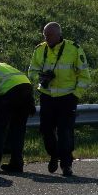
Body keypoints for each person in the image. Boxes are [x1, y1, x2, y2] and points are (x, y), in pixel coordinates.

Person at [28, 22, 91, 177]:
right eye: (44, 35)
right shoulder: (39, 49)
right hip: (47, 96)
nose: (46, 38)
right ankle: (53, 155)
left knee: (65, 132)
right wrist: (41, 77)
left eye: (49, 35)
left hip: (67, 97)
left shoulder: (74, 49)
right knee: (46, 130)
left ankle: (66, 164)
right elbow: (31, 72)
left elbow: (85, 77)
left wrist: (75, 95)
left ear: (58, 34)